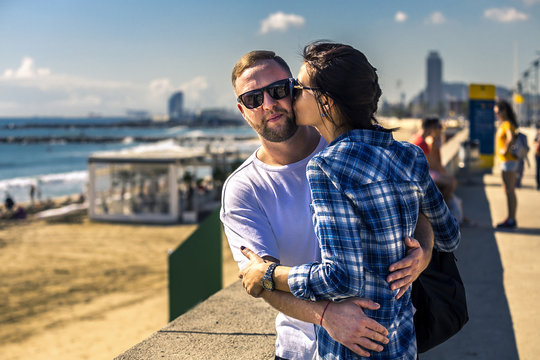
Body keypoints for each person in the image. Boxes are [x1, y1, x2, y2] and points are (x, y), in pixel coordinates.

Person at [238, 42, 460, 359]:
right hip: (401, 343)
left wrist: (269, 276)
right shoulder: (408, 154)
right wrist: (420, 253)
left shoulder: (327, 168)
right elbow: (449, 234)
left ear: (325, 102)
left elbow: (341, 278)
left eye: (298, 88)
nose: (292, 96)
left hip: (352, 348)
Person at [410, 117, 457, 202]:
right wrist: (444, 174)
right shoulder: (422, 142)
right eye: (438, 127)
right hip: (420, 175)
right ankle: (442, 209)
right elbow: (431, 163)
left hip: (414, 173)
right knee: (450, 183)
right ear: (430, 128)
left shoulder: (416, 138)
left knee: (449, 182)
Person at [494, 100, 519, 229]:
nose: (497, 115)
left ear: (504, 111)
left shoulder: (507, 124)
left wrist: (505, 149)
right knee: (509, 190)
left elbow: (510, 137)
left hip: (508, 161)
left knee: (509, 190)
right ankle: (510, 217)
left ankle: (511, 219)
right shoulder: (505, 124)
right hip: (507, 161)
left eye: (498, 112)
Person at [534, 120, 540, 191]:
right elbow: (534, 141)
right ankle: (538, 184)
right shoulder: (538, 133)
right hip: (538, 154)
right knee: (537, 170)